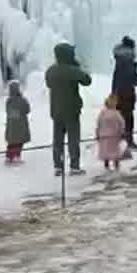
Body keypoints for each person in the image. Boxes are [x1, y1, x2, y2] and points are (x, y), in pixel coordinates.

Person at [45, 42, 91, 176]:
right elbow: (87, 80)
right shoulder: (72, 70)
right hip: (71, 110)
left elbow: (49, 83)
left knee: (58, 140)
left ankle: (58, 167)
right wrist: (77, 66)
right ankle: (74, 166)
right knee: (73, 139)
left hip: (56, 110)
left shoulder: (51, 70)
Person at [111, 36, 137, 155]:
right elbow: (132, 78)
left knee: (119, 117)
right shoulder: (128, 60)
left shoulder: (119, 59)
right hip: (127, 93)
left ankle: (117, 140)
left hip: (117, 91)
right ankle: (128, 141)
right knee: (128, 118)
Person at [96, 94, 127, 173]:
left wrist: (98, 133)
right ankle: (112, 165)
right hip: (111, 135)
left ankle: (110, 165)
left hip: (108, 136)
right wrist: (122, 131)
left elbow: (99, 123)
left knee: (109, 151)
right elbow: (122, 123)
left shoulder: (104, 113)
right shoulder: (115, 113)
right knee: (113, 152)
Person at [3, 80, 31, 165]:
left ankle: (9, 156)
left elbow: (7, 111)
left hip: (11, 125)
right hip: (21, 124)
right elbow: (27, 110)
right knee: (19, 142)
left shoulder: (9, 101)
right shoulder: (22, 100)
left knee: (11, 142)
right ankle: (17, 156)